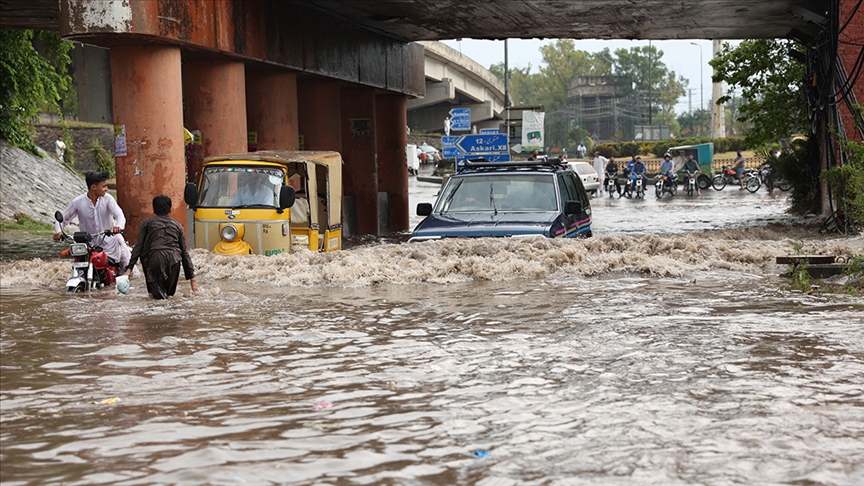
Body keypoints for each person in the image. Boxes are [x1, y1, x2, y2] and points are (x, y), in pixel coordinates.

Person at [54, 171, 135, 274]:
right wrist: (59, 232)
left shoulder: (108, 199)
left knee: (128, 267)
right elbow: (62, 220)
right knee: (79, 270)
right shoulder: (77, 202)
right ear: (93, 187)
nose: (107, 189)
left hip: (111, 242)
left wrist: (118, 226)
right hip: (88, 245)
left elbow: (120, 215)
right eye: (104, 186)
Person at [123, 195, 197, 299]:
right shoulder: (177, 225)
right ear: (170, 209)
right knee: (169, 297)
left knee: (157, 299)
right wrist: (192, 278)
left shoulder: (146, 223)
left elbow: (138, 247)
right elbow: (184, 252)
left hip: (155, 259)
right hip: (174, 260)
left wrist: (129, 269)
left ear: (153, 209)